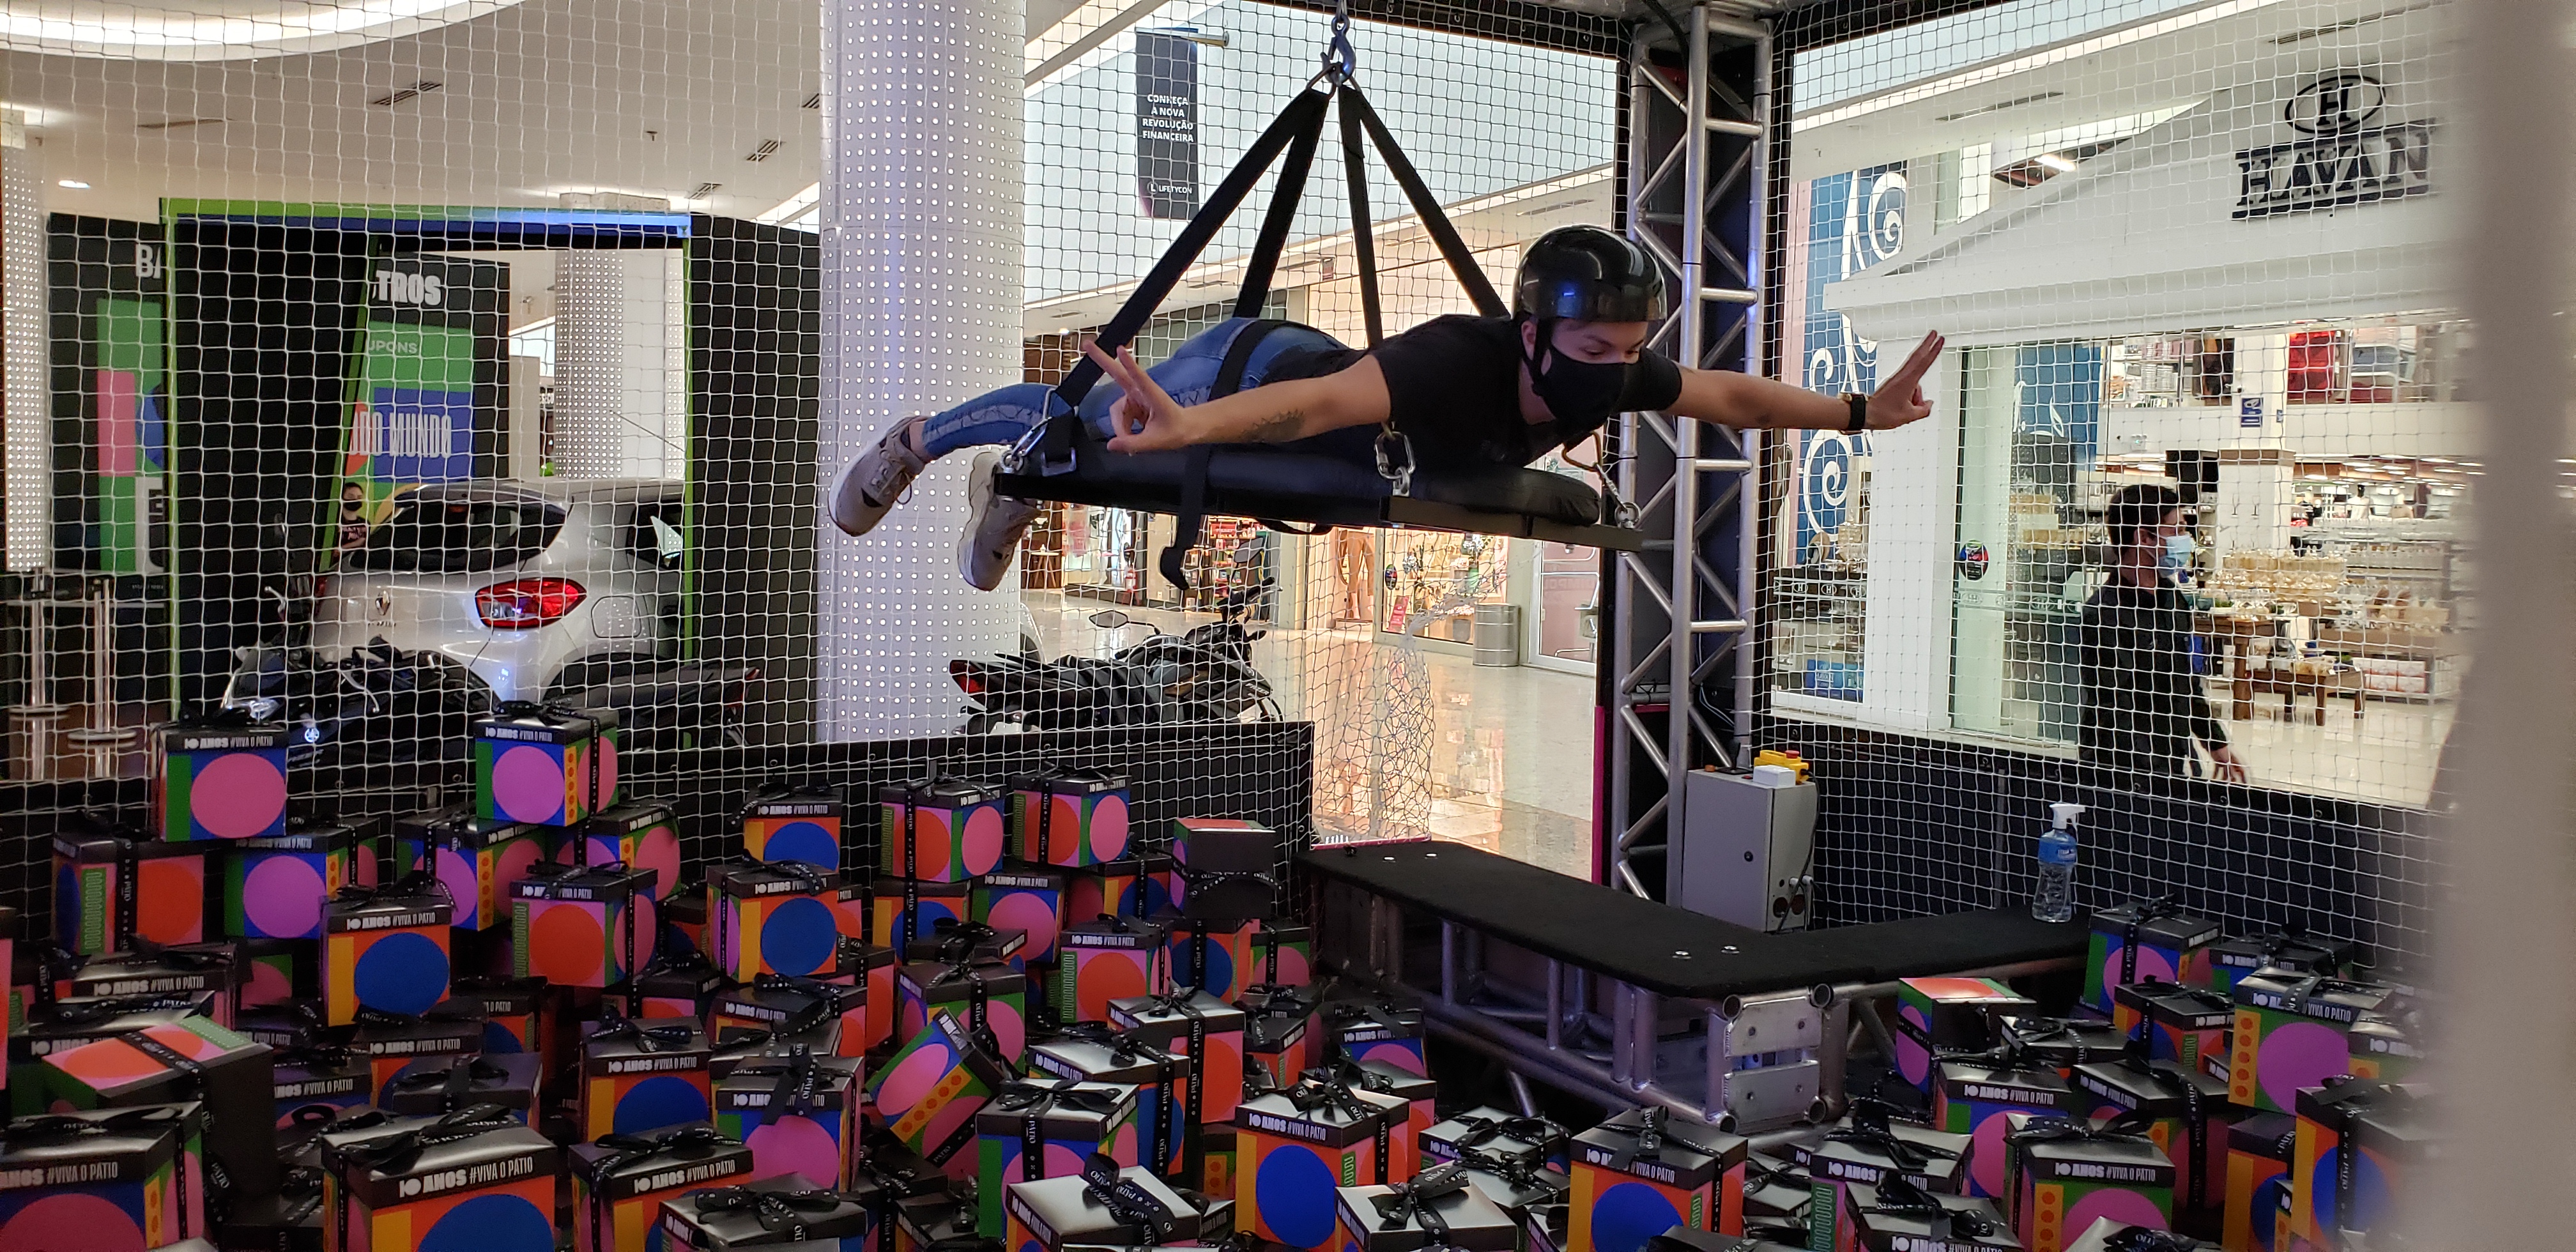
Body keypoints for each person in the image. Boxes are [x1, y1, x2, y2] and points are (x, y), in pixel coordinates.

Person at [831, 225, 1945, 590]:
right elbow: (1307, 408)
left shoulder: (1609, 370)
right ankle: (925, 441)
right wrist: (1188, 431)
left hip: (1298, 391)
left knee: (1086, 439)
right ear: (1532, 334)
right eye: (1596, 347)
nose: (1618, 371)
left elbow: (1730, 396)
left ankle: (1013, 484)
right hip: (1251, 366)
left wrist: (1856, 412)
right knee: (1075, 422)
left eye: (1632, 349)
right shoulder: (1448, 362)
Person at [2080, 483, 2248, 783]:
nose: (2186, 540)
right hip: (2122, 768)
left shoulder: (2173, 598)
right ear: (2144, 536)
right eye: (2178, 529)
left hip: (2172, 760)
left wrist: (2215, 742)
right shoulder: (2103, 614)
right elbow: (2113, 708)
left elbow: (2184, 682)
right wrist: (2150, 773)